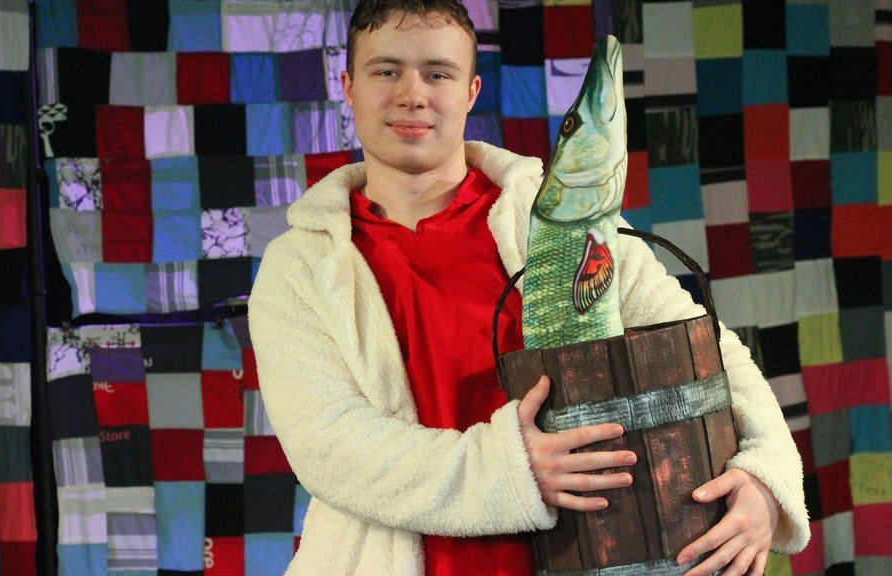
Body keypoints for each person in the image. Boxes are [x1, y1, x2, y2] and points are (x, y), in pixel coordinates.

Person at [247, 0, 810, 574]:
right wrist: (510, 469)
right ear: (348, 86)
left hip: (597, 556)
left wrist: (766, 478)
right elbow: (328, 445)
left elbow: (710, 350)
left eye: (438, 74)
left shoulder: (559, 220)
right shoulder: (301, 264)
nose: (412, 94)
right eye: (386, 70)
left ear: (471, 92)